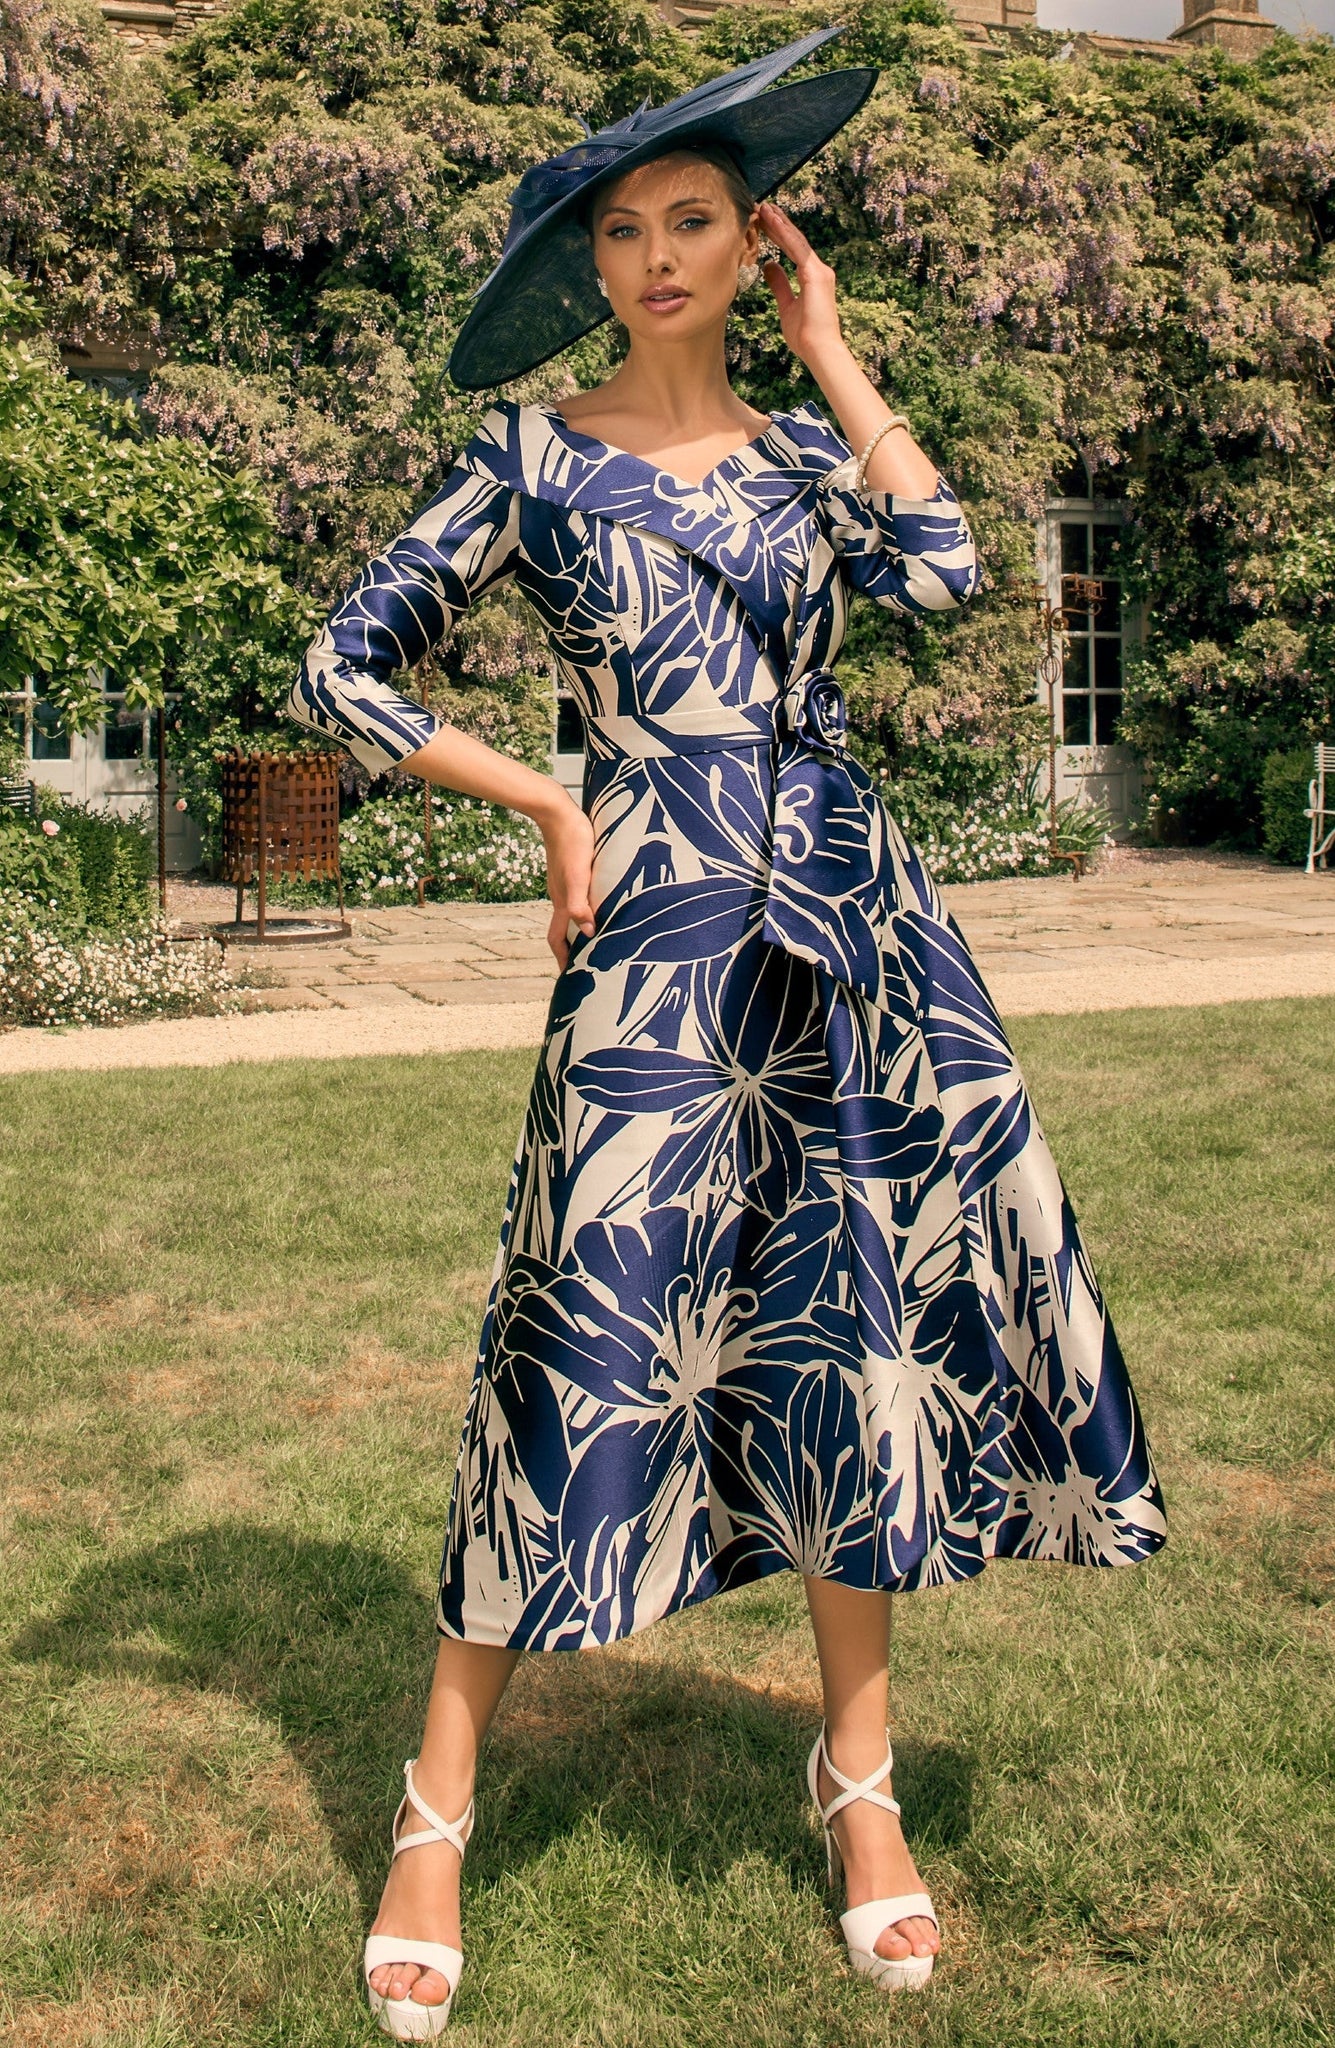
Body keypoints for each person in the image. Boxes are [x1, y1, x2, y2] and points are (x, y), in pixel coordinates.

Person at [286, 28, 1167, 2036]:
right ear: (590, 264)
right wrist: (547, 798)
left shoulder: (795, 459)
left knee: (842, 1338)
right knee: (575, 1336)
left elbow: (942, 570)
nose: (661, 255)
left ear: (751, 241)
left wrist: (832, 351)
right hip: (656, 941)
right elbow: (344, 666)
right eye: (625, 231)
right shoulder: (528, 457)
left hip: (850, 927)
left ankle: (859, 1786)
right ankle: (436, 1804)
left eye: (697, 220)